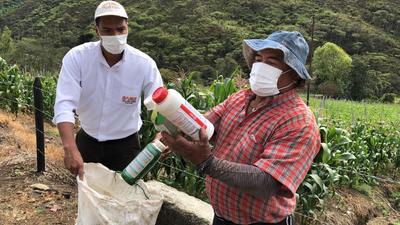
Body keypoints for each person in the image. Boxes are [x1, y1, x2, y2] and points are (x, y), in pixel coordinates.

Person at [161, 31, 321, 225]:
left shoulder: (299, 122)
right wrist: (171, 129)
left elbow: (266, 183)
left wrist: (206, 162)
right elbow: (204, 125)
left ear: (293, 74)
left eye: (271, 62)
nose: (260, 66)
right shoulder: (241, 98)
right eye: (259, 59)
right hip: (221, 217)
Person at [53, 1, 163, 179]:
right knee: (88, 196)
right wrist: (70, 148)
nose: (116, 35)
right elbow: (64, 104)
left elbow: (161, 105)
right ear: (97, 30)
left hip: (126, 148)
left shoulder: (144, 64)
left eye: (120, 29)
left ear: (128, 27)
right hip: (87, 142)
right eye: (107, 30)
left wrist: (161, 135)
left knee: (125, 199)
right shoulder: (77, 58)